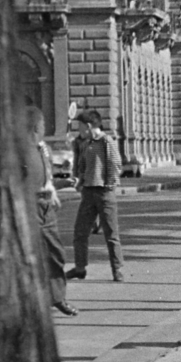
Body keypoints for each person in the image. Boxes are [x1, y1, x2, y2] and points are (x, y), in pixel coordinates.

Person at [25, 108, 78, 316]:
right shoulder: (21, 152)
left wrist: (58, 185)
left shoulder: (43, 149)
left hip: (47, 211)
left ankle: (57, 296)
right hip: (31, 210)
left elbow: (47, 177)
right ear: (35, 126)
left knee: (56, 254)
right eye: (43, 124)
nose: (45, 127)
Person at [67, 109, 125, 281]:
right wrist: (79, 180)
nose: (79, 130)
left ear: (89, 126)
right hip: (88, 192)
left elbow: (115, 164)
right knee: (80, 232)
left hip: (104, 192)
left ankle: (117, 269)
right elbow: (80, 165)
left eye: (81, 126)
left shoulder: (105, 141)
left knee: (111, 234)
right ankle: (79, 268)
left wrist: (109, 184)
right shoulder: (84, 142)